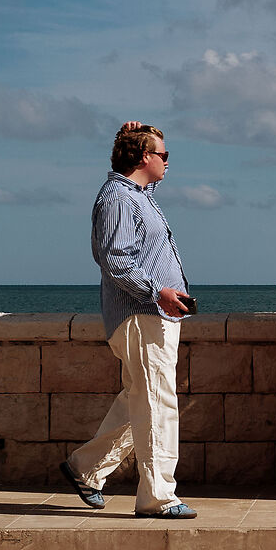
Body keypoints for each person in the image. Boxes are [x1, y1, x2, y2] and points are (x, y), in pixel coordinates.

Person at [61, 122, 197, 518]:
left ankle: (85, 469)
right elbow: (116, 260)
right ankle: (158, 497)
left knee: (139, 398)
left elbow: (142, 188)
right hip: (143, 312)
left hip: (153, 313)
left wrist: (135, 131)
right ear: (143, 158)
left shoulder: (135, 194)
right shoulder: (119, 199)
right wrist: (159, 292)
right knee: (157, 402)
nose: (168, 162)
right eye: (164, 154)